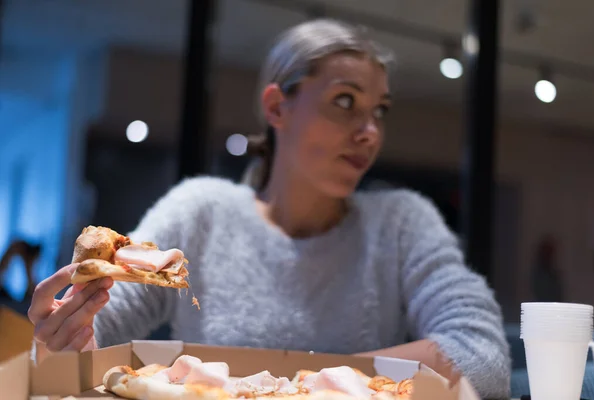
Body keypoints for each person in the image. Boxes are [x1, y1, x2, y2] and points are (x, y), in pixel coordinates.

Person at [28, 19, 510, 398]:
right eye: (345, 102)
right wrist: (66, 338)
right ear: (277, 108)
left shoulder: (401, 223)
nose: (370, 131)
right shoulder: (203, 212)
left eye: (379, 110)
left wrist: (294, 387)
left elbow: (482, 358)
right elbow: (94, 340)